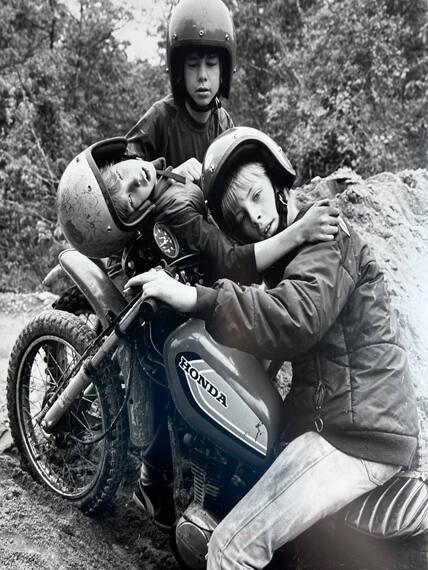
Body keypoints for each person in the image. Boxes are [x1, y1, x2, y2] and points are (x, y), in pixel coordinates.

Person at [125, 126, 419, 568]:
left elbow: (294, 319)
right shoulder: (292, 258)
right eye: (240, 216)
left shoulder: (327, 237)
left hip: (354, 439)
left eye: (256, 196)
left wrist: (196, 298)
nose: (255, 217)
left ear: (280, 183)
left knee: (229, 549)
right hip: (348, 421)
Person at [125, 0, 236, 183]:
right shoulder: (162, 116)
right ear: (180, 71)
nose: (202, 76)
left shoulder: (223, 125)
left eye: (211, 64)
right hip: (165, 210)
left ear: (223, 70)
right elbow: (121, 171)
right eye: (192, 65)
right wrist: (170, 176)